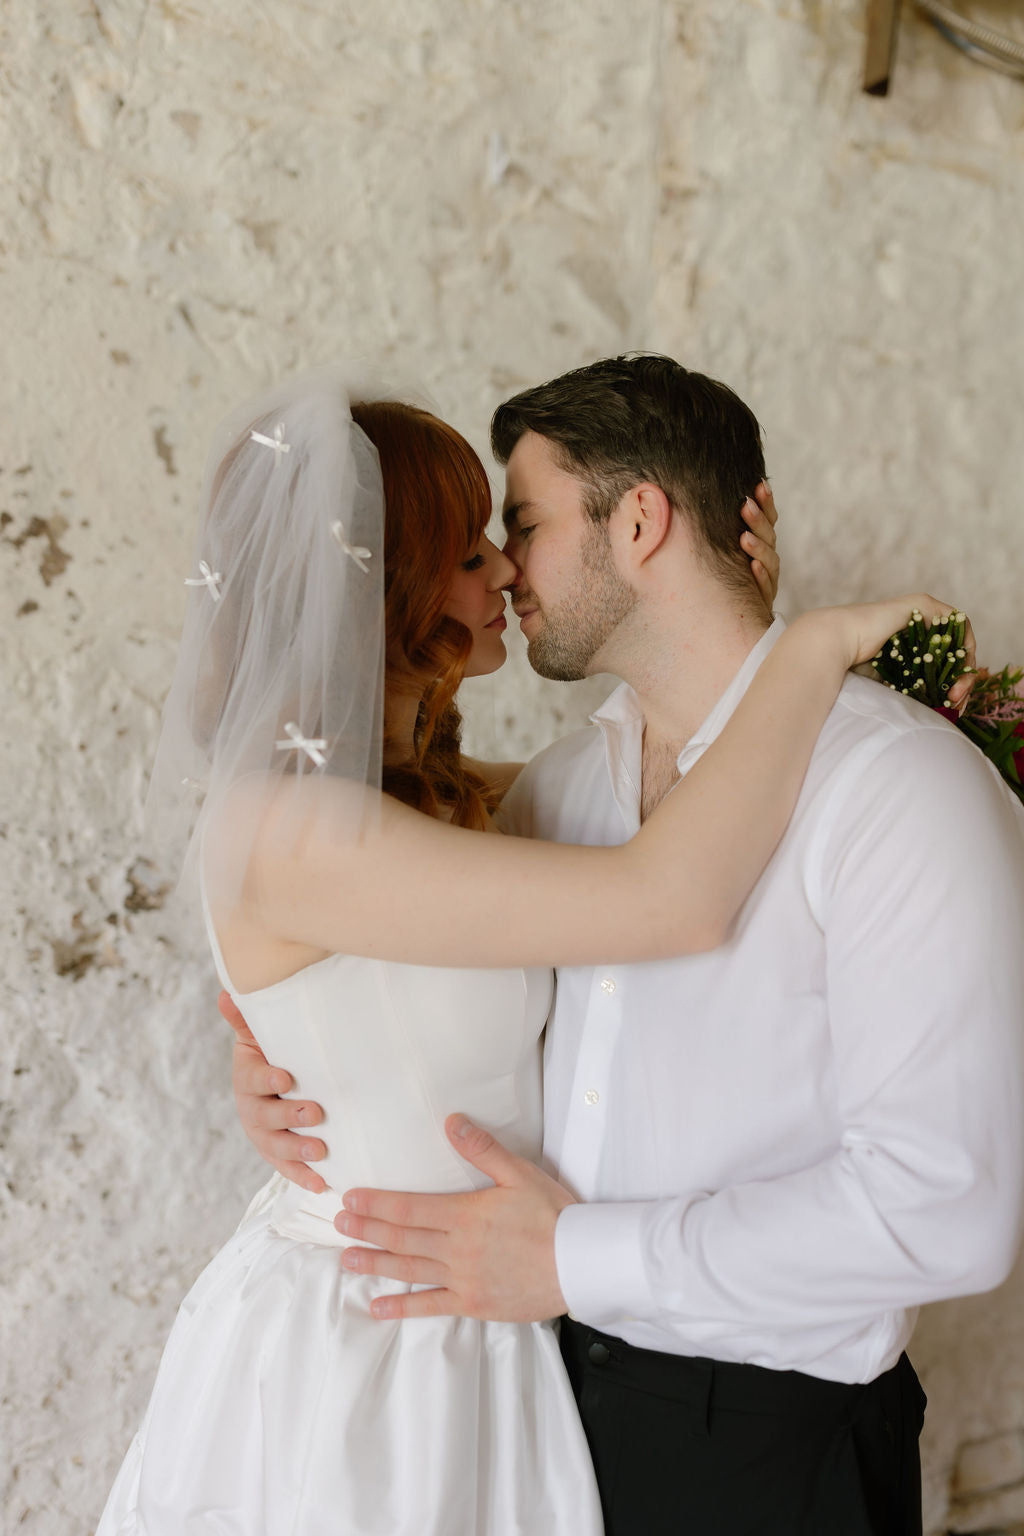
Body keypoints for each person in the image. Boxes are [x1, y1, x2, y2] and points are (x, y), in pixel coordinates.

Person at [231, 356, 1024, 1536]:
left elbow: (947, 1209)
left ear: (640, 521)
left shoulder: (895, 787)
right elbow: (352, 911)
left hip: (764, 1450)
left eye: (527, 522)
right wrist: (285, 1055)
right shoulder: (556, 793)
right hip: (526, 1419)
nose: (504, 567)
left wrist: (578, 1262)